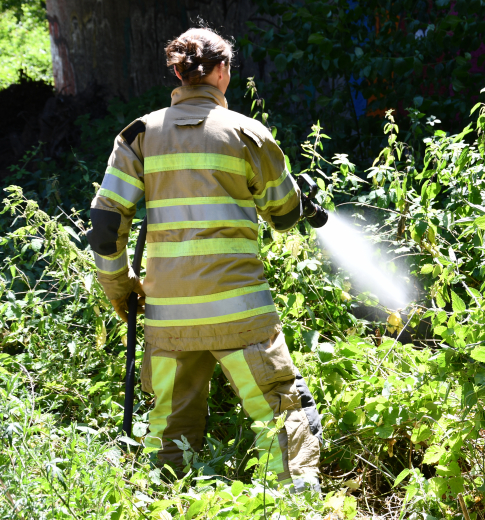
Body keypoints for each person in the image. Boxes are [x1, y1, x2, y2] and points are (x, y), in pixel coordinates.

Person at [86, 27, 322, 492]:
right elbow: (281, 213)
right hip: (242, 317)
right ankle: (298, 512)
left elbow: (106, 223)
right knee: (282, 419)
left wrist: (121, 288)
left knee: (168, 444)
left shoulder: (138, 135)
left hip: (169, 321)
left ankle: (165, 512)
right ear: (222, 72)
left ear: (177, 72)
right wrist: (300, 202)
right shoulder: (247, 133)